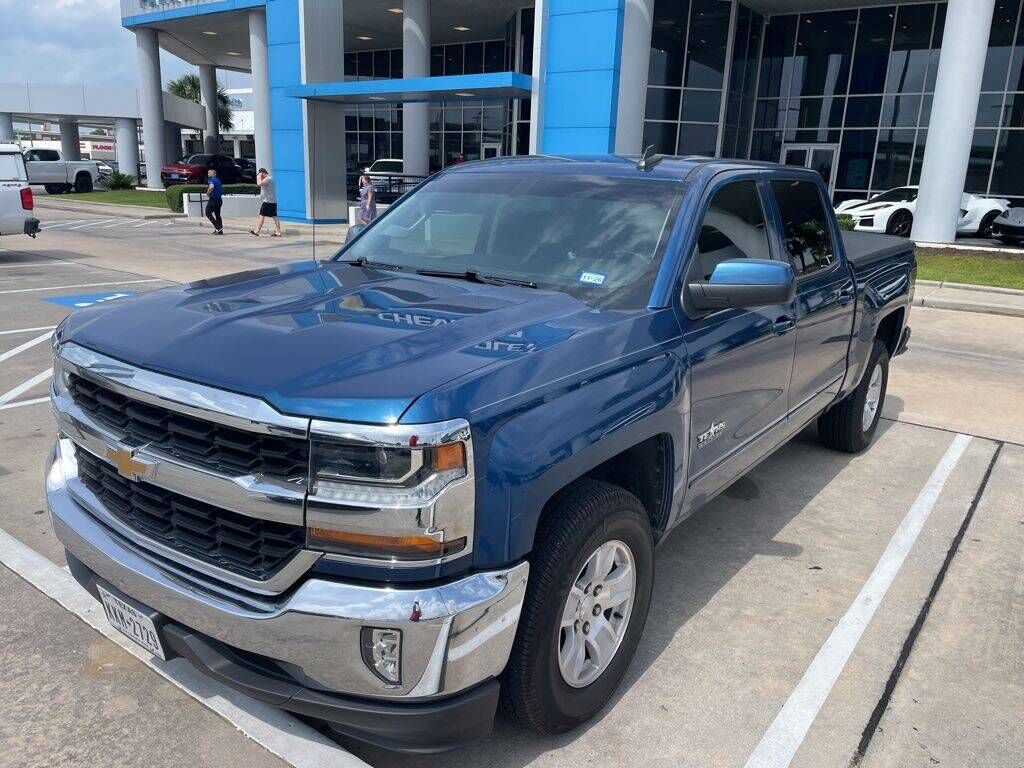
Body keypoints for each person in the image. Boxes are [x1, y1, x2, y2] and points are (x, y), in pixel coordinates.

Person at [250, 167, 281, 237]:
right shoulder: (271, 179)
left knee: (261, 215)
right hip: (273, 201)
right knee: (274, 216)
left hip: (267, 201)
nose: (261, 176)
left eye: (261, 175)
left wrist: (258, 176)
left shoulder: (267, 179)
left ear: (263, 173)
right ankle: (278, 232)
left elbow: (259, 184)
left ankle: (257, 231)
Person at [205, 169, 223, 235]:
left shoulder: (211, 180)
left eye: (209, 173)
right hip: (219, 200)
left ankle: (217, 227)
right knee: (217, 215)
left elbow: (211, 187)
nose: (208, 174)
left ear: (213, 174)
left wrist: (208, 193)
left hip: (213, 199)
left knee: (208, 213)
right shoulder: (218, 180)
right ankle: (220, 230)